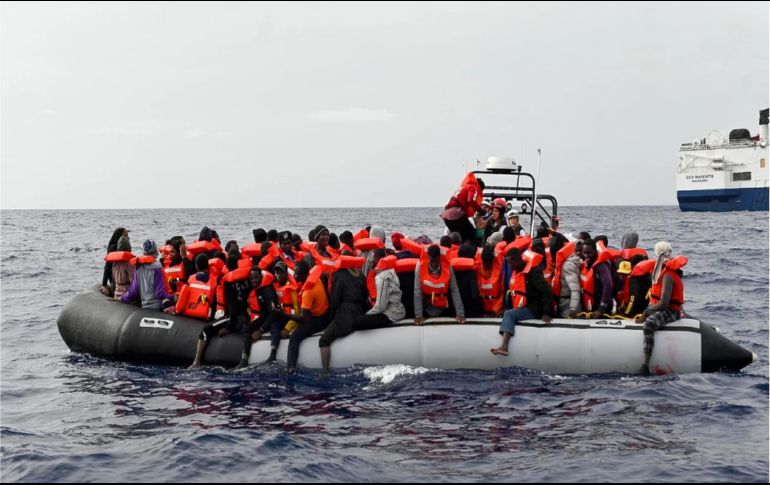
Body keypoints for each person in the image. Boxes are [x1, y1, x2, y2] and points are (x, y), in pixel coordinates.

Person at [636, 242, 687, 375]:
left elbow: (664, 304)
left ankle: (645, 364)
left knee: (648, 325)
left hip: (671, 310)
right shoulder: (662, 271)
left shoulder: (668, 275)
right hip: (663, 308)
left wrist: (646, 313)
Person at [491, 248, 553, 356]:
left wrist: (546, 312)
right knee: (507, 312)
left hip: (534, 309)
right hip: (523, 308)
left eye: (510, 262)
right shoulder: (517, 273)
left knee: (509, 314)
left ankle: (504, 347)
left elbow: (546, 291)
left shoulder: (533, 272)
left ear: (517, 260)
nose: (509, 265)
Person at [318, 256, 368, 373]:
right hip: (359, 312)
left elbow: (335, 299)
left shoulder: (339, 275)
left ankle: (325, 371)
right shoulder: (361, 275)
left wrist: (331, 318)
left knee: (324, 340)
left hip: (346, 313)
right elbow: (366, 296)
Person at [287, 264, 331, 371]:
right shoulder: (316, 278)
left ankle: (290, 368)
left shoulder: (307, 292)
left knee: (294, 337)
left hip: (318, 321)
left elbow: (304, 318)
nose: (294, 276)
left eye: (296, 274)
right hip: (326, 314)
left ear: (303, 275)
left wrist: (285, 316)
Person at [413, 245, 465, 325]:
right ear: (428, 257)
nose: (434, 264)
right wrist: (418, 315)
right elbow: (417, 291)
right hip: (426, 306)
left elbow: (454, 289)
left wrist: (460, 313)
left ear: (439, 258)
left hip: (443, 306)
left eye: (436, 261)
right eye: (432, 261)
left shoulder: (448, 267)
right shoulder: (419, 266)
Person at [119, 240, 174, 310]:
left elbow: (134, 291)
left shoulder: (139, 268)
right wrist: (172, 297)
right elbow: (159, 293)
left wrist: (122, 298)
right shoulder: (157, 267)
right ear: (155, 251)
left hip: (145, 307)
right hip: (157, 307)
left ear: (144, 252)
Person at [440, 172, 485, 245]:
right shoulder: (473, 187)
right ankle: (468, 253)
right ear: (479, 188)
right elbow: (471, 200)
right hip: (456, 212)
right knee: (472, 234)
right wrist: (480, 210)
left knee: (457, 236)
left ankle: (454, 252)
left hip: (446, 215)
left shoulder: (462, 188)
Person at [579, 239, 615, 318]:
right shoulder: (585, 264)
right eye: (584, 253)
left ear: (595, 251)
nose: (586, 255)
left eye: (589, 253)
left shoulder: (601, 266)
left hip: (601, 309)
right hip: (590, 307)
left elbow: (608, 286)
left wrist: (601, 309)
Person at [174, 254, 215, 319]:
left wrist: (177, 311)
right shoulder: (214, 280)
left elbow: (182, 299)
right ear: (208, 265)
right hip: (205, 317)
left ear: (196, 266)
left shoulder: (191, 279)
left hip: (189, 316)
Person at [451, 243, 483, 318]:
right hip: (470, 311)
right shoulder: (472, 273)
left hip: (453, 309)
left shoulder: (452, 270)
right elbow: (474, 295)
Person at [553, 240, 583, 318]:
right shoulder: (577, 263)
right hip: (568, 302)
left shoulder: (568, 266)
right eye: (577, 251)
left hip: (568, 305)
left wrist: (573, 308)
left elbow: (575, 289)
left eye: (581, 250)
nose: (579, 253)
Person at [477, 245, 504, 317]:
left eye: (489, 262)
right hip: (480, 310)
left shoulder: (500, 269)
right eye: (485, 262)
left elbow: (503, 293)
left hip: (496, 311)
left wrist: (494, 311)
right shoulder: (476, 267)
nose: (487, 264)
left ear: (492, 260)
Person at [101, 227, 128, 296]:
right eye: (125, 236)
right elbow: (107, 266)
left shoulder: (125, 247)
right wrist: (104, 284)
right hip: (115, 279)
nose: (127, 238)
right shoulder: (113, 248)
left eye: (127, 236)